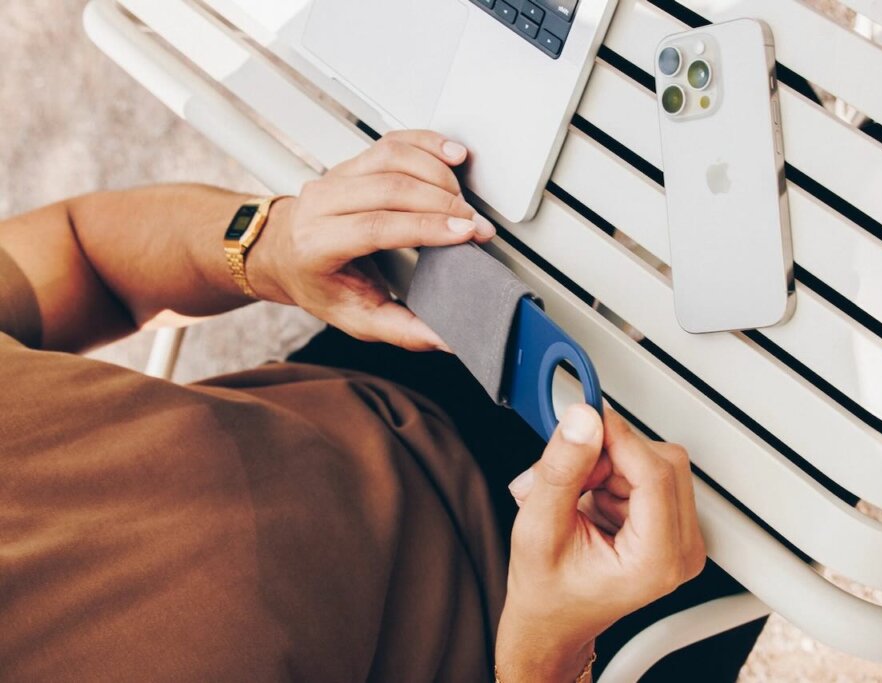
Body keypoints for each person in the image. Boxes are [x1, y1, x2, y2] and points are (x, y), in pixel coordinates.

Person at [0, 130, 715, 682]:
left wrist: (269, 245)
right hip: (562, 611)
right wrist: (547, 653)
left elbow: (78, 252)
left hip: (388, 374)